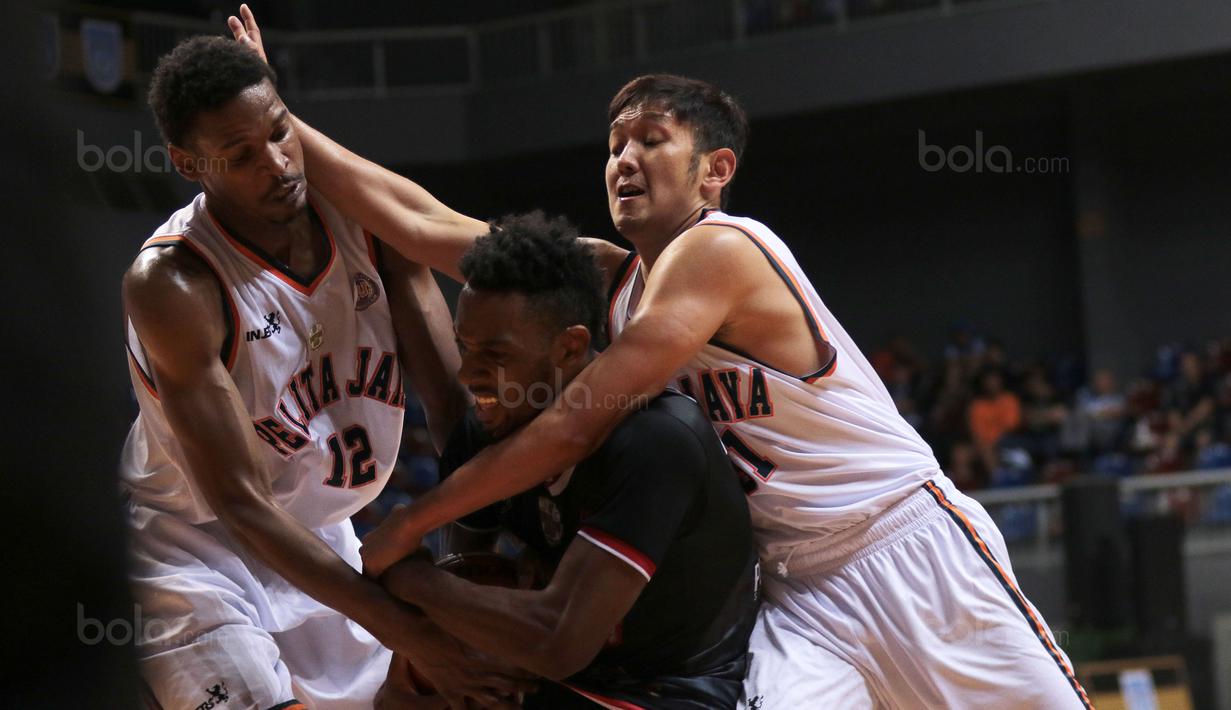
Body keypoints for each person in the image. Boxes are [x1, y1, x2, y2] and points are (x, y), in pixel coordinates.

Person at [229, 8, 1090, 708]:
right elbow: (421, 223)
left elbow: (572, 423)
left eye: (649, 139)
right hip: (792, 590)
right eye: (613, 144)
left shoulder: (724, 249)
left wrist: (409, 527)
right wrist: (282, 123)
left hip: (901, 546)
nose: (624, 158)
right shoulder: (611, 279)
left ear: (715, 169)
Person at [122, 35, 527, 709]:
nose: (278, 164)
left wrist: (462, 571)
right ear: (187, 163)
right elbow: (241, 503)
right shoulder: (175, 283)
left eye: (280, 132)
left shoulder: (366, 226)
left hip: (321, 539)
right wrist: (408, 628)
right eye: (242, 154)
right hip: (196, 554)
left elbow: (455, 412)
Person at [382, 214, 759, 709]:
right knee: (409, 691)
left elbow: (558, 642)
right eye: (463, 348)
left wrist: (410, 578)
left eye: (494, 354)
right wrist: (435, 645)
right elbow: (467, 573)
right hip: (569, 672)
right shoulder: (485, 428)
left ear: (570, 347)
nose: (470, 375)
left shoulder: (654, 440)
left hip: (676, 683)